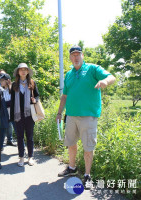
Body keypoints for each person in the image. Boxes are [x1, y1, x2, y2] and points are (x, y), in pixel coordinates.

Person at [56, 45, 116, 188]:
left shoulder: (92, 69)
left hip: (88, 117)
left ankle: (87, 175)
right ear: (70, 58)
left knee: (88, 147)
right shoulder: (69, 74)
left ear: (82, 56)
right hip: (71, 116)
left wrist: (105, 82)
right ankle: (71, 168)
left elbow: (111, 77)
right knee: (71, 144)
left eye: (78, 54)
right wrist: (59, 113)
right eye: (73, 55)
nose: (76, 57)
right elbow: (64, 96)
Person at [10, 63, 40, 167]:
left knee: (30, 136)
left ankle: (30, 157)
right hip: (18, 115)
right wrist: (12, 117)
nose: (23, 71)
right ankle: (21, 157)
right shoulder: (14, 85)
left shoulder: (32, 83)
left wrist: (34, 99)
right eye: (21, 69)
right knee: (19, 137)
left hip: (29, 114)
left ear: (27, 72)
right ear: (18, 72)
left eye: (25, 69)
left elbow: (37, 96)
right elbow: (12, 101)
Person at [0, 73, 17, 150]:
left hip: (13, 112)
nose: (0, 82)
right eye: (0, 80)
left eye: (2, 80)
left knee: (14, 128)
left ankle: (10, 141)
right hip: (4, 112)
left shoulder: (14, 88)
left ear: (7, 81)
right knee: (3, 128)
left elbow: (13, 101)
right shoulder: (1, 90)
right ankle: (1, 145)